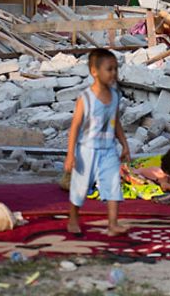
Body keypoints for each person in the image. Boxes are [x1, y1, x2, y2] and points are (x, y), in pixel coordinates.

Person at [64, 48, 131, 237]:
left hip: (108, 149)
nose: (114, 74)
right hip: (87, 149)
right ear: (94, 72)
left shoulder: (115, 96)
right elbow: (75, 127)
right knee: (80, 186)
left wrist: (124, 144)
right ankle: (73, 219)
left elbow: (116, 122)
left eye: (116, 69)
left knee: (112, 185)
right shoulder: (86, 98)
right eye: (109, 69)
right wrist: (70, 155)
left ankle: (112, 224)